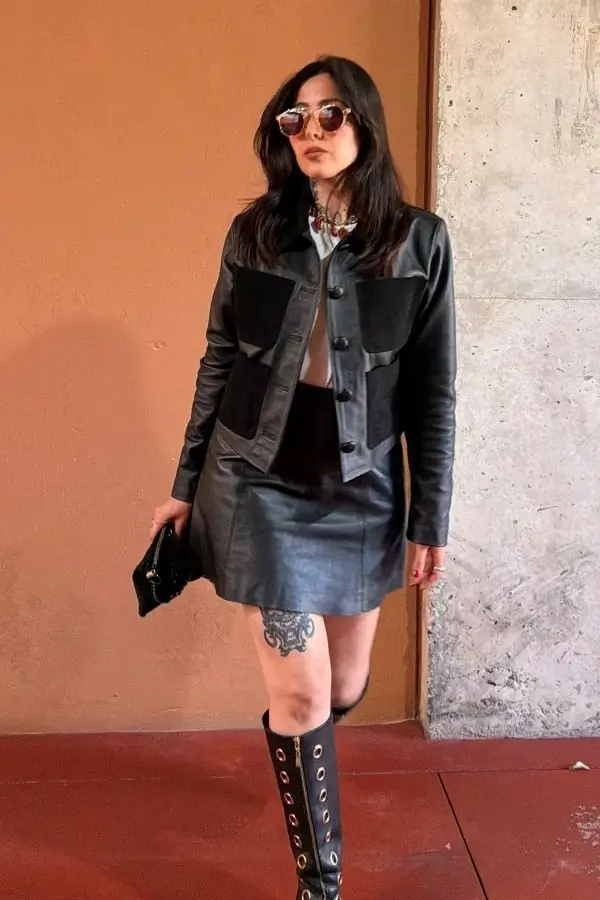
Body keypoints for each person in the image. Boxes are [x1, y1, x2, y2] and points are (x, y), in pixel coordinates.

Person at [151, 55, 456, 900]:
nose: (311, 131)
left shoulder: (419, 241)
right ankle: (320, 884)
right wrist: (184, 482)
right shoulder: (254, 233)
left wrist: (429, 516)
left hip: (362, 485)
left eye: (330, 115)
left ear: (365, 123)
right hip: (255, 481)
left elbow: (433, 389)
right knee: (303, 687)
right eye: (295, 119)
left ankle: (303, 733)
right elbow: (218, 360)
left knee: (343, 684)